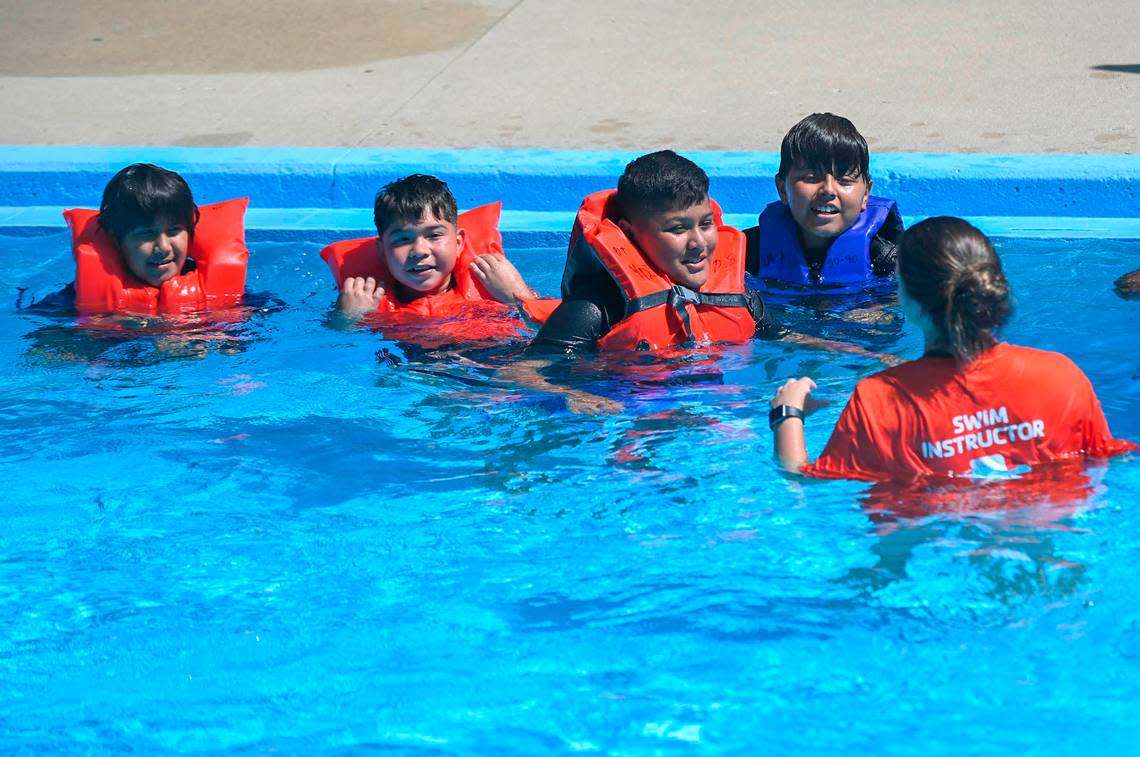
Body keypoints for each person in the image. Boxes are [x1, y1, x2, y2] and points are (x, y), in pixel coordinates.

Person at [770, 216, 1136, 481]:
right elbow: (1106, 458)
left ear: (908, 300)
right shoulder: (1060, 375)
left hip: (926, 563)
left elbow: (804, 480)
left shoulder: (880, 400)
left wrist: (788, 412)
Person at [320, 173, 555, 348]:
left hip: (496, 361)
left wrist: (520, 297)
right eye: (403, 239)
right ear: (381, 250)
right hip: (413, 373)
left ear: (459, 242)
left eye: (434, 235)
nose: (419, 250)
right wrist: (346, 318)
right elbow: (333, 347)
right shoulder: (366, 303)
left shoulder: (496, 288)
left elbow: (561, 326)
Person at [50, 163, 249, 314]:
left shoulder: (234, 296)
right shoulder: (74, 301)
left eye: (174, 231)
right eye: (146, 233)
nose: (163, 247)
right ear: (116, 239)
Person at [745, 113, 903, 289]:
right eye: (811, 178)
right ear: (782, 189)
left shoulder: (890, 260)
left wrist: (881, 312)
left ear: (865, 194)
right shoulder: (748, 251)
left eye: (844, 180)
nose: (828, 190)